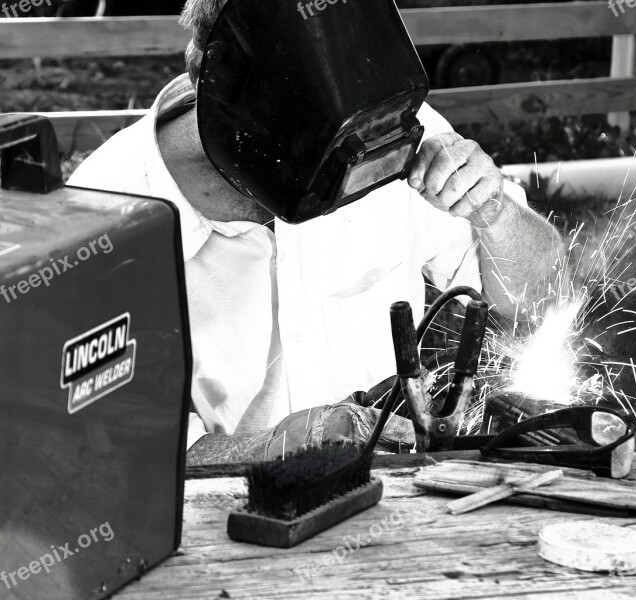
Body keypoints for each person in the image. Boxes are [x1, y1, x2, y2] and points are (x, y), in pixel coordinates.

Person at [68, 0, 563, 465]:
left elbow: (542, 300)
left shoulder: (384, 129)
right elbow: (110, 444)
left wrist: (495, 214)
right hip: (220, 528)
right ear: (212, 77)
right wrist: (278, 449)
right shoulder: (104, 213)